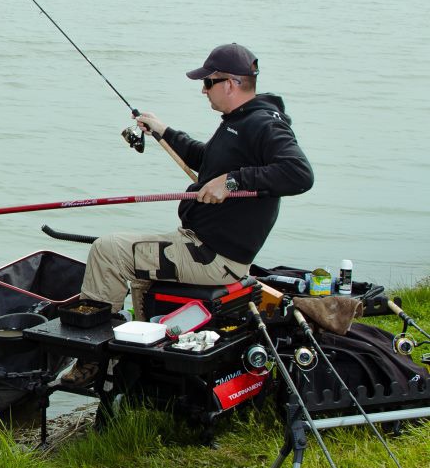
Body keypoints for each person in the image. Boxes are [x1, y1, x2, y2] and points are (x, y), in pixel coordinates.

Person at [78, 42, 315, 322]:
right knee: (129, 255)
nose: (203, 90)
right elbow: (207, 160)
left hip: (213, 258)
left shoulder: (263, 124)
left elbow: (299, 173)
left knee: (107, 250)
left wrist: (230, 182)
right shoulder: (239, 120)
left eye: (208, 82)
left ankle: (91, 358)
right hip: (200, 244)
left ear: (230, 84)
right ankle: (136, 345)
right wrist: (163, 131)